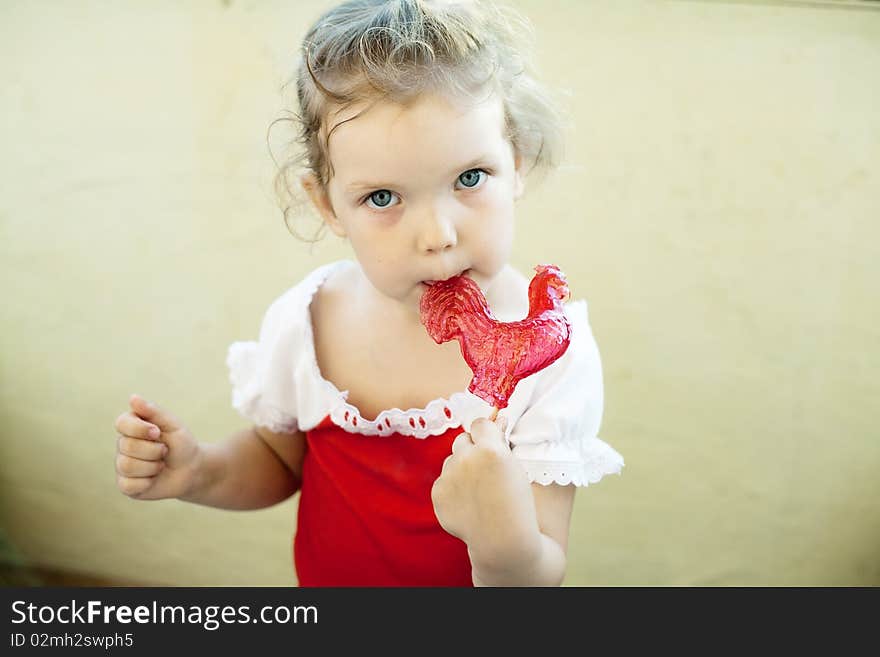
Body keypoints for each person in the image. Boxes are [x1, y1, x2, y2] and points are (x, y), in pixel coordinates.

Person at [113, 0, 624, 586]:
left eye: (470, 178)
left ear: (518, 162)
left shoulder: (551, 358)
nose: (438, 237)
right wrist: (199, 471)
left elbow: (537, 579)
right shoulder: (307, 324)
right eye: (383, 197)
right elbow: (281, 462)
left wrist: (502, 541)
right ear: (327, 204)